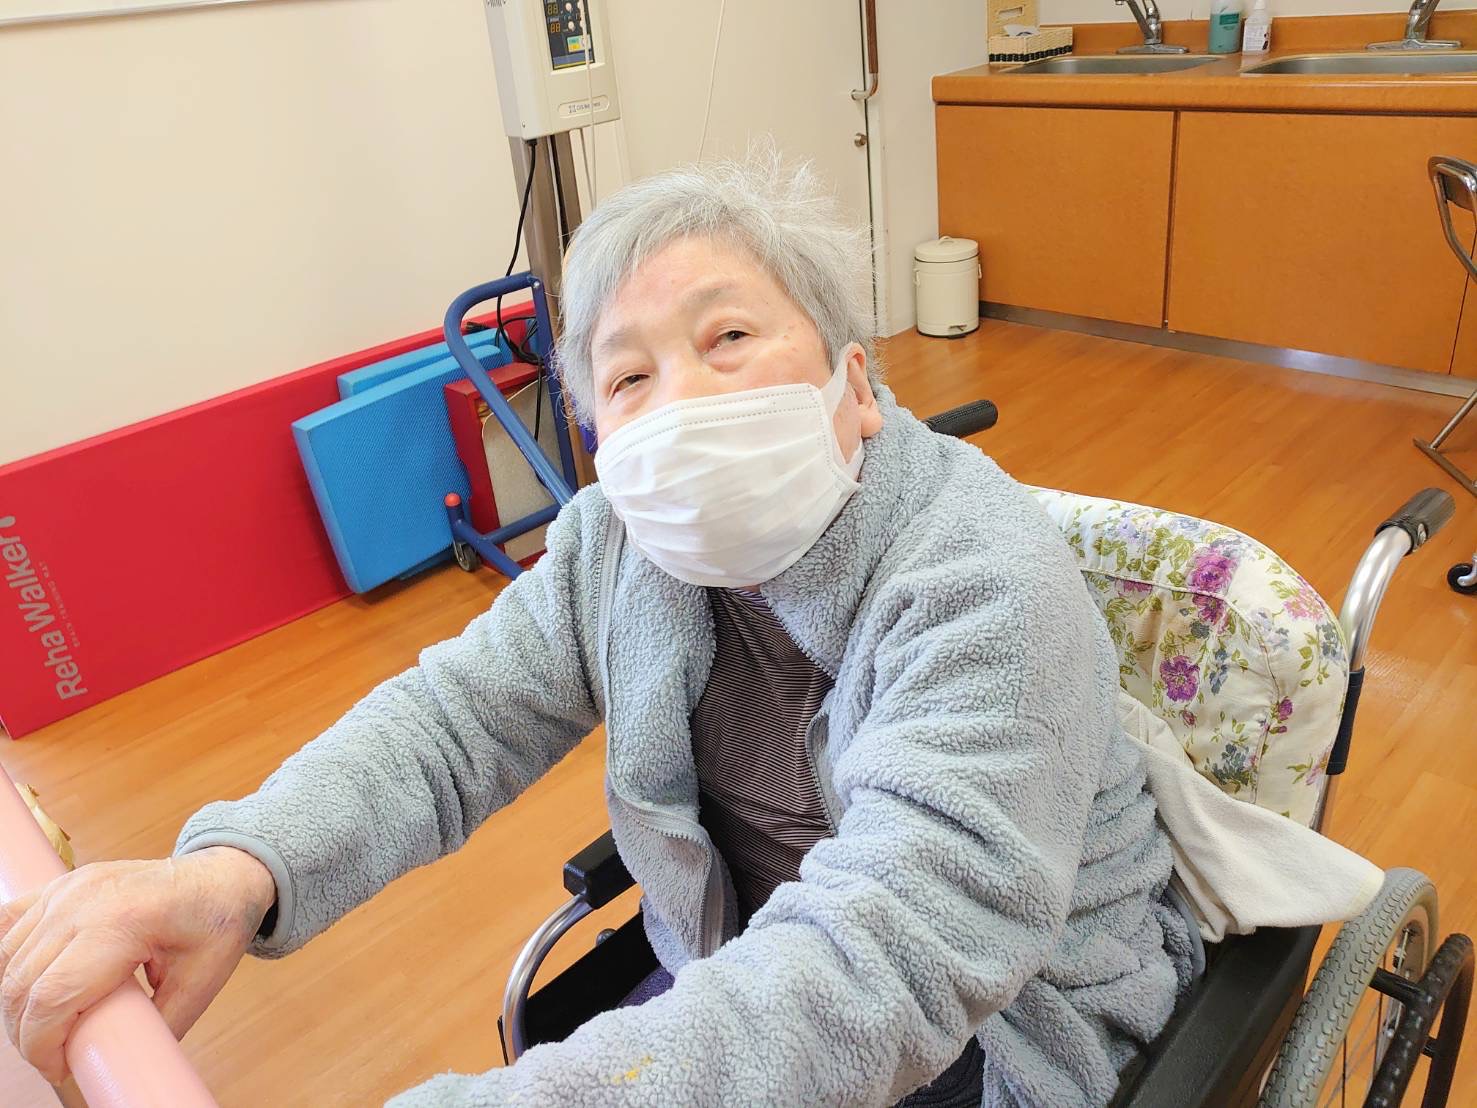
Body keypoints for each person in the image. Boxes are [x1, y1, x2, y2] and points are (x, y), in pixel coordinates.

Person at [0, 151, 1192, 1107]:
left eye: (728, 338)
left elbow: (894, 952)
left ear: (857, 386)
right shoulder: (615, 545)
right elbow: (455, 719)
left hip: (998, 1026)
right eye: (627, 381)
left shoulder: (983, 579)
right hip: (743, 977)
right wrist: (233, 869)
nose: (682, 400)